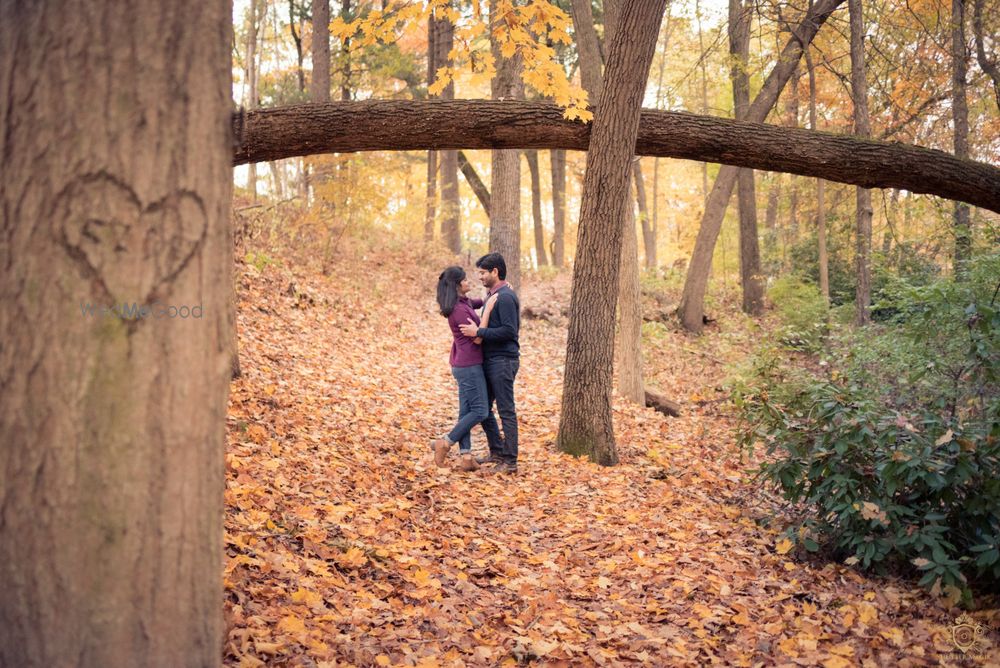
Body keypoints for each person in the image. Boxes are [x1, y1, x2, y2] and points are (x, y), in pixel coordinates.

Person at [459, 252, 520, 474]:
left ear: (495, 271)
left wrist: (479, 332)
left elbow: (509, 331)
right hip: (492, 359)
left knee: (506, 411)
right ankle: (497, 451)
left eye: (483, 273)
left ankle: (510, 462)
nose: (480, 277)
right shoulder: (495, 294)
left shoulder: (504, 297)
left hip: (503, 360)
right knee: (483, 408)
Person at [432, 266, 489, 472]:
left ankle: (466, 457)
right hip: (469, 365)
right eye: (465, 280)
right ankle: (445, 442)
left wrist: (491, 296)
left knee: (466, 411)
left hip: (464, 364)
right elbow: (478, 337)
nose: (469, 282)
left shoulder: (461, 303)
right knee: (480, 410)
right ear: (457, 285)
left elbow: (476, 302)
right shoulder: (458, 310)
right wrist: (489, 311)